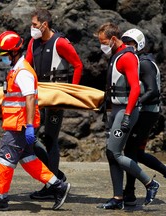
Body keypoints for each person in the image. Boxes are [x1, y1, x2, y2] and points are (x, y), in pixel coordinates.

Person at [0, 30, 71, 211]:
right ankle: (59, 186)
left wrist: (29, 126)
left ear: (14, 52)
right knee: (29, 159)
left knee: (5, 160)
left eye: (4, 54)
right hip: (17, 123)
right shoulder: (16, 70)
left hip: (19, 125)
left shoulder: (23, 72)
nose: (2, 58)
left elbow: (30, 99)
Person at [95, 22, 160, 210]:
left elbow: (135, 89)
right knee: (111, 154)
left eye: (104, 42)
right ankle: (117, 198)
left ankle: (150, 183)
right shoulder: (116, 55)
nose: (102, 46)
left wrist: (127, 115)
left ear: (114, 39)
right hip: (116, 110)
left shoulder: (128, 57)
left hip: (126, 110)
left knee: (114, 152)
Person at [25, 8, 83, 199]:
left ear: (44, 25)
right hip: (37, 95)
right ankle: (56, 176)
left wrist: (70, 94)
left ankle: (52, 186)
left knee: (50, 138)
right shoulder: (33, 43)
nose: (31, 28)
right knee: (28, 136)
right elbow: (26, 66)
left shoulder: (60, 43)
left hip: (56, 96)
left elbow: (78, 65)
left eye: (34, 25)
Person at [121, 28, 166, 206]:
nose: (126, 46)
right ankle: (130, 192)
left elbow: (153, 91)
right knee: (136, 152)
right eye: (124, 42)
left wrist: (136, 102)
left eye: (129, 43)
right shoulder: (141, 60)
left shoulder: (145, 63)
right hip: (148, 112)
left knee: (130, 152)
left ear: (138, 44)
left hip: (148, 113)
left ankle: (129, 193)